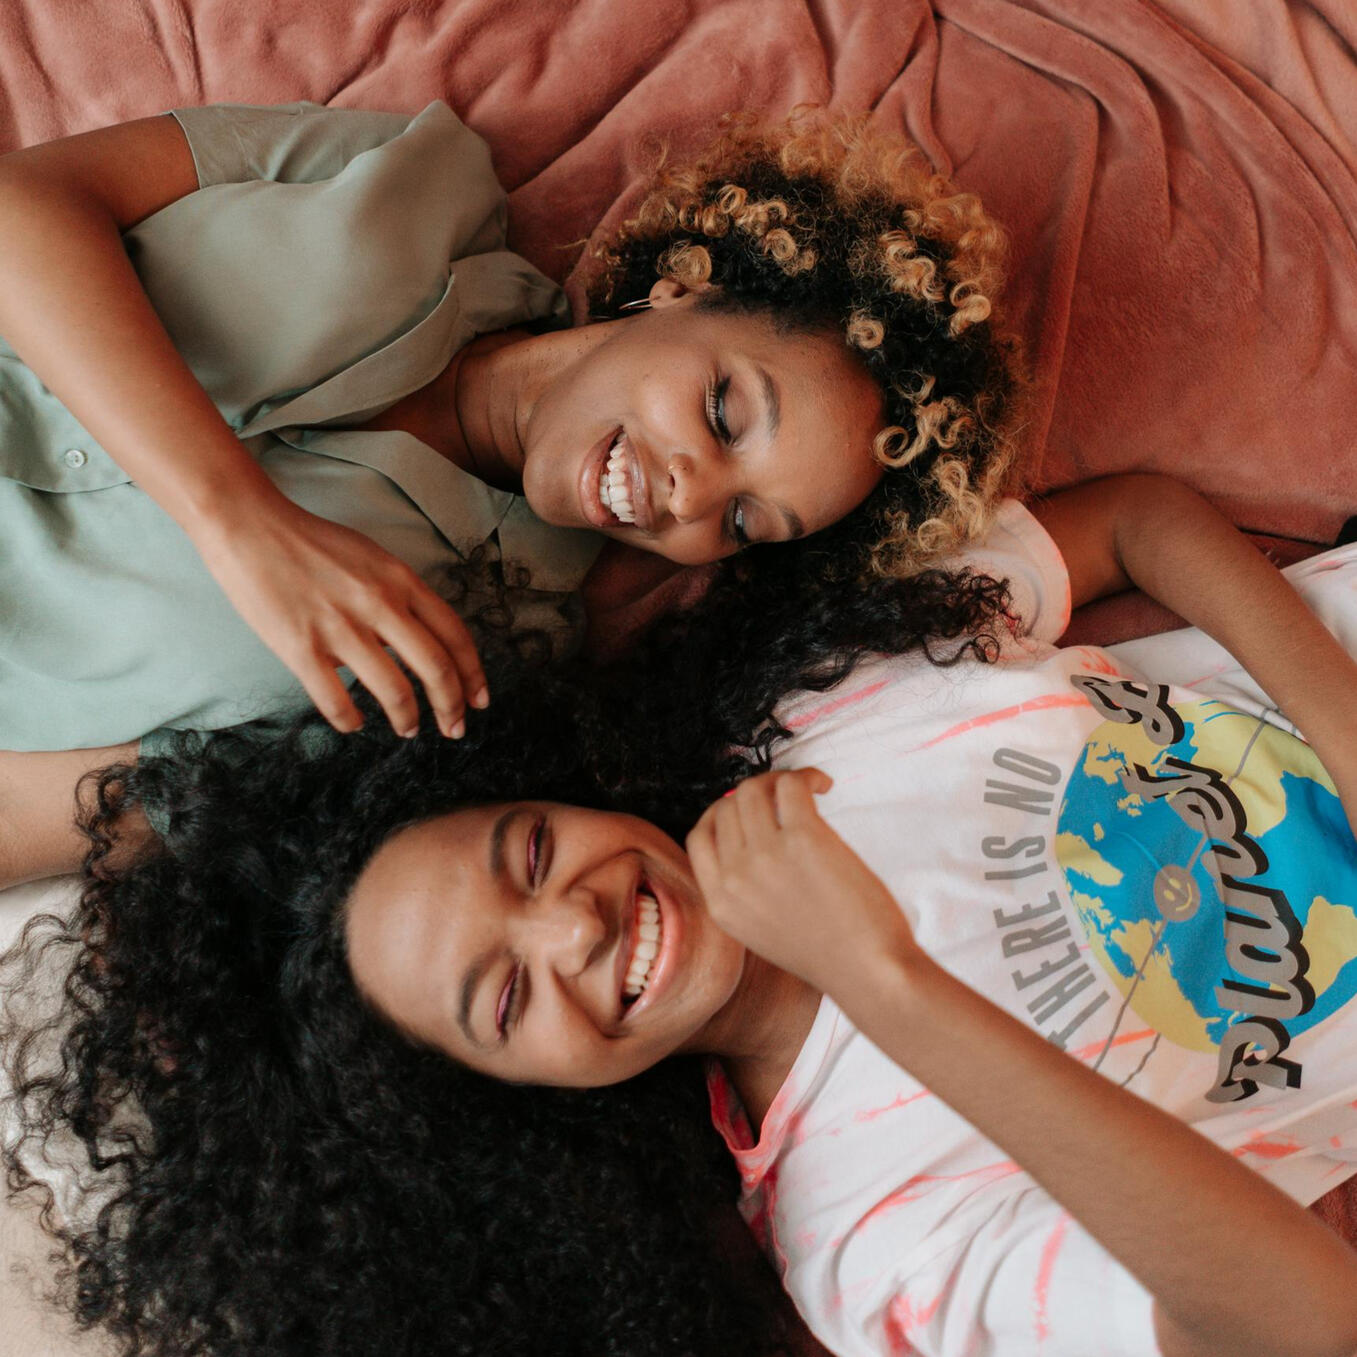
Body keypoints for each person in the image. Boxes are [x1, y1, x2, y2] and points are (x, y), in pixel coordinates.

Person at [7, 473, 1357, 1356]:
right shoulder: (868, 1242)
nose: (573, 927)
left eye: (532, 851)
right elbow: (1305, 1321)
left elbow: (1134, 524)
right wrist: (882, 985)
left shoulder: (800, 704)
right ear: (515, 1106)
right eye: (505, 997)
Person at [0, 98, 1020, 886]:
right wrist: (238, 519)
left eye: (744, 520)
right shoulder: (412, 174)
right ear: (684, 289)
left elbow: (99, 804)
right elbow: (21, 203)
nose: (691, 494)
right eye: (722, 411)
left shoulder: (478, 661)